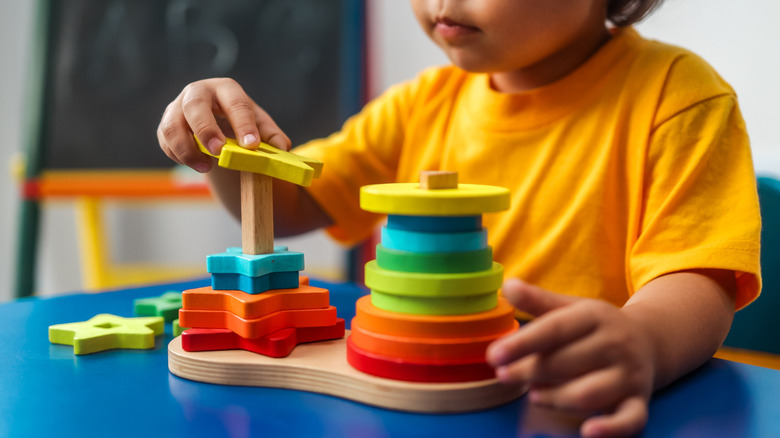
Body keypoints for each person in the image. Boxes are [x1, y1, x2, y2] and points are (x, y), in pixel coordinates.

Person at [158, 1, 761, 436]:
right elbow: (288, 203)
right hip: (413, 404)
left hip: (570, 405)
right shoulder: (418, 104)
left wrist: (645, 345)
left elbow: (698, 277)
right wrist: (228, 148)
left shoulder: (679, 98)